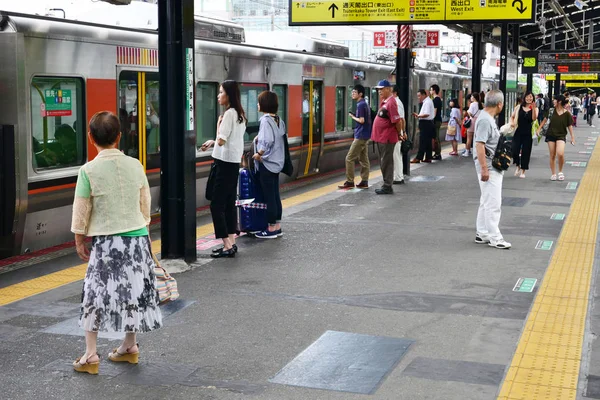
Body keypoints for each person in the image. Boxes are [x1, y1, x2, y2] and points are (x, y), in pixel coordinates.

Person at [71, 111, 162, 375]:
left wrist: (79, 239)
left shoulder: (88, 170)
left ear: (90, 138)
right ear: (119, 137)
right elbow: (145, 204)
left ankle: (90, 354)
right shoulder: (136, 165)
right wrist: (143, 228)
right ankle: (129, 346)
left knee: (94, 294)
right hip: (136, 240)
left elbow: (81, 209)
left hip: (107, 243)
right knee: (133, 292)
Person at [201, 80, 247, 258]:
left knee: (216, 205)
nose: (218, 95)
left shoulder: (228, 114)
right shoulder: (239, 114)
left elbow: (222, 140)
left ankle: (227, 245)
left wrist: (218, 127)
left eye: (221, 92)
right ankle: (232, 243)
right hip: (232, 163)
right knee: (228, 204)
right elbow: (229, 139)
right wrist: (213, 141)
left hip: (223, 164)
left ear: (229, 95)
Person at [473, 89, 511, 249]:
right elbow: (479, 144)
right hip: (489, 165)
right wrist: (484, 169)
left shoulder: (486, 118)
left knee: (486, 200)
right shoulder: (484, 120)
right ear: (500, 104)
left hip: (489, 164)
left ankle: (482, 233)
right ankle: (495, 237)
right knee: (493, 202)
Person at [252, 91, 286, 239]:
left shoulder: (265, 120)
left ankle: (271, 228)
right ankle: (277, 226)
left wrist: (259, 153)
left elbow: (268, 140)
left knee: (269, 196)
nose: (258, 104)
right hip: (278, 162)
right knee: (275, 194)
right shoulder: (278, 119)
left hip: (268, 162)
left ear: (265, 104)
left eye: (259, 102)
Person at [371, 79, 403, 195]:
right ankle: (386, 184)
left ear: (388, 89)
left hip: (387, 138)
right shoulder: (385, 102)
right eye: (378, 89)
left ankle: (387, 186)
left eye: (381, 89)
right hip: (381, 138)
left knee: (386, 162)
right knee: (383, 161)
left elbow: (397, 121)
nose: (379, 91)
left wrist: (400, 134)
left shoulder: (391, 103)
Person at [536, 95, 576, 181]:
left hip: (561, 135)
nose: (553, 101)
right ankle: (553, 173)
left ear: (559, 102)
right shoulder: (551, 111)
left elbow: (570, 126)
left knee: (560, 153)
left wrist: (572, 137)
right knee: (552, 155)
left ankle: (560, 171)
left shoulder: (567, 113)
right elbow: (545, 120)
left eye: (555, 100)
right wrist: (539, 128)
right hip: (550, 135)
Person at [339, 85, 371, 189]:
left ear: (360, 94)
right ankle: (364, 181)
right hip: (365, 134)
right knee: (363, 158)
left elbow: (362, 120)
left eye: (354, 92)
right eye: (352, 92)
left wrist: (353, 117)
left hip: (360, 135)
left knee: (349, 158)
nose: (352, 94)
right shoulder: (365, 104)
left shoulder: (360, 105)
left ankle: (350, 181)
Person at [510, 91, 538, 179]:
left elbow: (534, 119)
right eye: (527, 97)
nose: (529, 98)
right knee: (515, 149)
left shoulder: (535, 108)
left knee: (526, 151)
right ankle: (518, 165)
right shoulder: (519, 107)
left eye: (531, 97)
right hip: (518, 131)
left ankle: (523, 170)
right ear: (524, 98)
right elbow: (512, 116)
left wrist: (533, 109)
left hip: (528, 132)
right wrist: (512, 123)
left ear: (533, 98)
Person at [411, 89, 435, 163]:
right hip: (428, 123)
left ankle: (419, 157)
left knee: (423, 140)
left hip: (426, 123)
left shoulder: (427, 102)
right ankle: (428, 157)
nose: (419, 97)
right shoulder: (428, 101)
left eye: (419, 96)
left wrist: (418, 116)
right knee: (427, 141)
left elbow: (427, 114)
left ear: (424, 95)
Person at [392, 84, 407, 184]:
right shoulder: (395, 102)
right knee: (397, 155)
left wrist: (402, 132)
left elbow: (401, 119)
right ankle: (399, 176)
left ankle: (398, 177)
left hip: (398, 131)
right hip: (398, 131)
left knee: (396, 155)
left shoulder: (397, 103)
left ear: (395, 92)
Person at [462, 93, 483, 157]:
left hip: (473, 121)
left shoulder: (472, 104)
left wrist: (468, 111)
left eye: (472, 97)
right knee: (477, 138)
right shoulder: (481, 105)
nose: (471, 98)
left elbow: (470, 114)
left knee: (469, 137)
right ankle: (476, 151)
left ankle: (467, 151)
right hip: (478, 121)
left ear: (474, 98)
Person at [430, 84, 443, 160]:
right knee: (436, 137)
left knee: (436, 137)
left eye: (431, 90)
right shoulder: (438, 99)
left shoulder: (436, 100)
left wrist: (431, 119)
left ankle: (438, 154)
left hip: (436, 121)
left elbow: (434, 112)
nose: (430, 91)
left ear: (434, 91)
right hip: (438, 120)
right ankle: (437, 153)